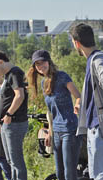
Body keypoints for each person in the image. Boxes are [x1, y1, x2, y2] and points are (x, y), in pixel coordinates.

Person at [70, 23, 103, 180]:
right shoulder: (92, 60)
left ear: (77, 43)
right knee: (95, 176)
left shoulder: (98, 60)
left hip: (102, 128)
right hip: (94, 128)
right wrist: (83, 105)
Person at [28, 50, 82, 180]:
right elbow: (51, 112)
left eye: (42, 62)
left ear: (49, 61)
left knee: (70, 173)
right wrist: (50, 133)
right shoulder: (43, 83)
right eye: (37, 65)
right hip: (56, 131)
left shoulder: (62, 76)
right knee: (60, 173)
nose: (41, 67)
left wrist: (78, 104)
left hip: (70, 129)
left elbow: (78, 96)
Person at [0, 50, 28, 180]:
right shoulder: (8, 75)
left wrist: (9, 114)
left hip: (14, 122)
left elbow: (19, 95)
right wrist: (1, 121)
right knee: (10, 161)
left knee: (16, 162)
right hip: (6, 123)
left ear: (1, 62)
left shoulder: (14, 73)